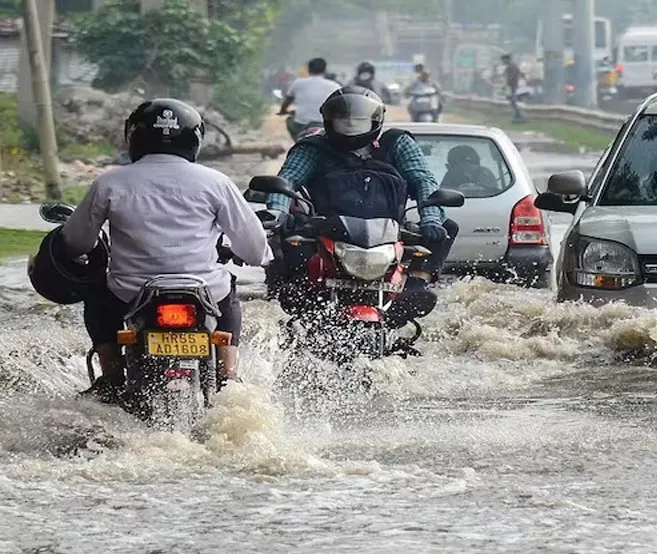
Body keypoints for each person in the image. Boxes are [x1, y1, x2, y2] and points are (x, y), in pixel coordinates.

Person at [33, 99, 272, 402]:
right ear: (195, 139)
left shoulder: (109, 183)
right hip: (204, 291)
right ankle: (228, 376)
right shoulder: (216, 183)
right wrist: (260, 256)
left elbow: (78, 242)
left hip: (130, 292)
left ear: (133, 136)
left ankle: (110, 375)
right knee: (228, 288)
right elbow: (254, 250)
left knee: (96, 292)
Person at [264, 86, 457, 294]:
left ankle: (418, 282)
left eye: (358, 122)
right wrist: (277, 212)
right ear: (329, 120)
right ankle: (296, 287)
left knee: (446, 228)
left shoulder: (398, 143)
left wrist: (431, 219)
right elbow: (287, 179)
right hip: (326, 229)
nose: (350, 127)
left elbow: (423, 180)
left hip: (390, 232)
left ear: (375, 121)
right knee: (285, 234)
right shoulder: (313, 148)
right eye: (343, 121)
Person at [278, 58, 341, 139]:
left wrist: (283, 111)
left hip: (302, 124)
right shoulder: (335, 86)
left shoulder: (298, 83)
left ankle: (298, 141)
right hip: (324, 124)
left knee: (290, 120)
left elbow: (287, 101)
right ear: (325, 70)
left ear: (309, 69)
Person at [500, 53, 525, 122]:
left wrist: (505, 85)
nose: (503, 62)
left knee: (513, 101)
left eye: (503, 60)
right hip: (512, 86)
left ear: (506, 59)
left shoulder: (512, 66)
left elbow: (510, 77)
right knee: (512, 101)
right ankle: (517, 115)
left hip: (513, 86)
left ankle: (518, 116)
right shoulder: (511, 66)